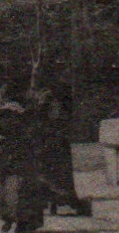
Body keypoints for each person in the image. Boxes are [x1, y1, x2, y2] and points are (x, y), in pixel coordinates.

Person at [0, 83, 45, 233]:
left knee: (6, 185)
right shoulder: (25, 112)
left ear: (4, 97)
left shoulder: (3, 113)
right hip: (24, 153)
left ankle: (10, 218)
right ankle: (23, 220)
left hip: (7, 153)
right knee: (25, 185)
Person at [36, 86, 90, 216]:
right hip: (53, 138)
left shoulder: (46, 99)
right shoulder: (53, 99)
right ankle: (60, 198)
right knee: (57, 171)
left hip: (49, 139)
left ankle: (52, 198)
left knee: (53, 170)